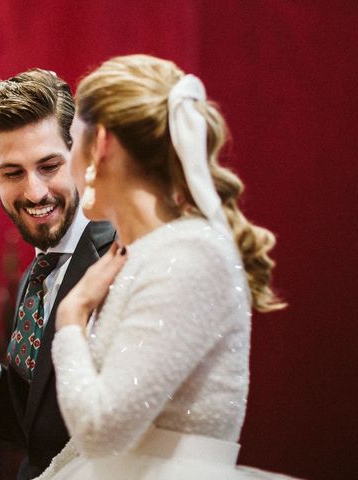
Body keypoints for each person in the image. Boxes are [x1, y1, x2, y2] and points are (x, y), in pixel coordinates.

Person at [35, 54, 296, 479]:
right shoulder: (147, 253)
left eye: (73, 141)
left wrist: (70, 318)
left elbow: (100, 431)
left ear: (100, 144)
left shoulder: (189, 256)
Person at [0, 69, 115, 479]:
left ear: (81, 156)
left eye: (49, 166)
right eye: (13, 173)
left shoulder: (123, 255)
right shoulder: (35, 275)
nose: (35, 192)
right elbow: (44, 432)